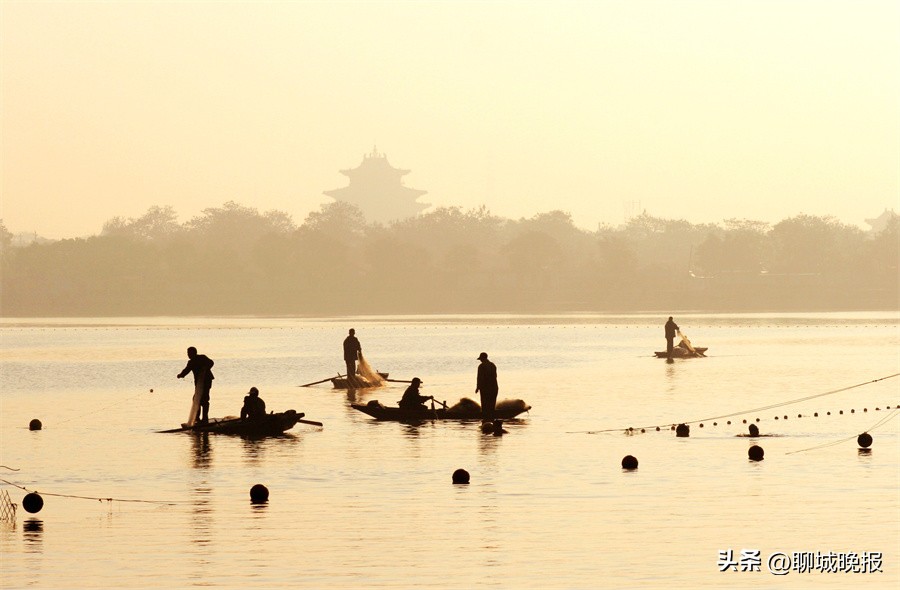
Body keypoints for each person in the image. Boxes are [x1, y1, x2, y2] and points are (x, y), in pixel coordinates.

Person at [177, 346, 215, 425]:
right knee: (196, 399)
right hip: (198, 384)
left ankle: (204, 418)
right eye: (187, 353)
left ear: (194, 353)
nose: (188, 355)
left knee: (204, 400)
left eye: (189, 353)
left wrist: (205, 368)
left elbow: (211, 362)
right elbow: (186, 370)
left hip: (206, 381)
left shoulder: (202, 357)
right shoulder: (191, 362)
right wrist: (181, 375)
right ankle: (197, 418)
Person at [476, 352, 498, 423]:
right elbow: (495, 376)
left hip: (485, 388)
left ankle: (485, 422)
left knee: (485, 406)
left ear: (483, 358)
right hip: (494, 387)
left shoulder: (481, 366)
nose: (480, 360)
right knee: (492, 405)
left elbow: (480, 378)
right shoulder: (493, 365)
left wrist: (478, 387)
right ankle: (491, 419)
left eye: (481, 359)